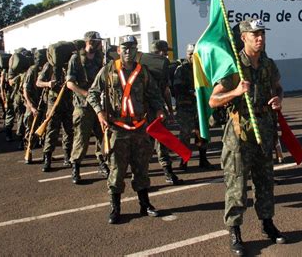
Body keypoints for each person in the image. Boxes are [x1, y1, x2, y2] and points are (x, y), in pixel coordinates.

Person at [209, 18, 286, 255]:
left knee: (265, 182)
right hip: (239, 135)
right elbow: (213, 100)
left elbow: (278, 87)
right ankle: (235, 231)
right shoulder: (234, 66)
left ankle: (267, 223)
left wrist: (279, 99)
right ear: (244, 38)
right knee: (237, 185)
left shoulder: (268, 64)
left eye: (262, 33)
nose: (260, 38)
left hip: (263, 131)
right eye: (255, 34)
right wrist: (235, 91)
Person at [87, 35, 164, 224]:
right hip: (118, 128)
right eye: (125, 48)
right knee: (117, 170)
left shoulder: (143, 72)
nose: (128, 51)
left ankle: (145, 204)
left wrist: (160, 110)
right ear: (119, 50)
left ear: (137, 50)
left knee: (142, 168)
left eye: (132, 47)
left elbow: (154, 94)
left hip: (139, 127)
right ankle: (115, 208)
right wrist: (99, 113)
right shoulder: (108, 70)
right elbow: (92, 93)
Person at [66, 31, 110, 184]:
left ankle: (103, 163)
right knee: (81, 138)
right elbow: (70, 83)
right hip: (82, 105)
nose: (99, 44)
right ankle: (76, 167)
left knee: (102, 136)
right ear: (89, 42)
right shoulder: (76, 58)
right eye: (97, 42)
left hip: (99, 104)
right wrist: (86, 94)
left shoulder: (100, 57)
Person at [149, 40, 183, 185]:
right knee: (146, 145)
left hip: (157, 110)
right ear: (160, 52)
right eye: (165, 52)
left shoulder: (161, 68)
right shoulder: (146, 69)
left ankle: (168, 172)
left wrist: (169, 109)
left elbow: (166, 90)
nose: (167, 55)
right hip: (147, 112)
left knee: (161, 141)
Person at [173, 43, 211, 169]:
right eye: (190, 54)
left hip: (200, 106)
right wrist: (191, 92)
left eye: (195, 54)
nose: (192, 57)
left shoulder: (202, 68)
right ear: (186, 54)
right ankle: (183, 161)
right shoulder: (181, 69)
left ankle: (203, 159)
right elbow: (177, 88)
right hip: (186, 107)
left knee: (202, 133)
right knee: (185, 135)